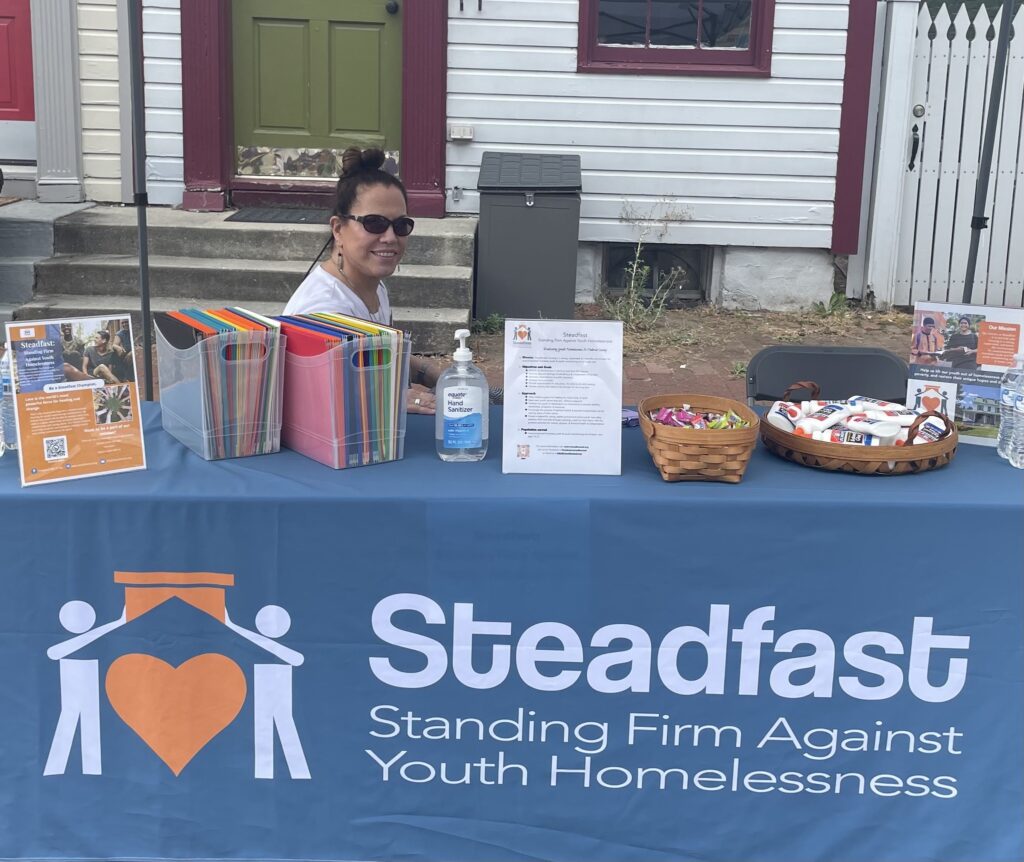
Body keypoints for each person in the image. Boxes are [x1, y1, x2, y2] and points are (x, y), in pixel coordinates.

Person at [283, 147, 439, 414]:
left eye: (401, 225)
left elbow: (381, 354)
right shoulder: (323, 311)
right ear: (338, 229)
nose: (390, 237)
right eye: (374, 223)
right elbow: (316, 400)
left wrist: (434, 373)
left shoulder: (373, 286)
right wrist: (393, 398)